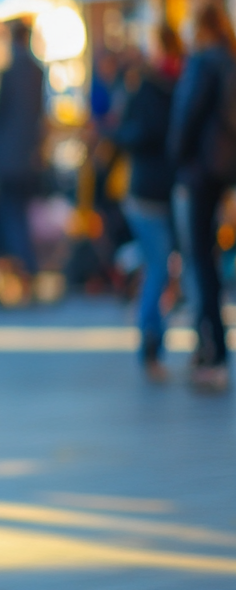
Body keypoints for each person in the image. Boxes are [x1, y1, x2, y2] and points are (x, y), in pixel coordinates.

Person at [168, 1, 236, 393]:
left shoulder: (203, 63)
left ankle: (211, 348)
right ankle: (215, 349)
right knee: (207, 260)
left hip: (199, 173)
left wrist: (177, 158)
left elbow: (187, 118)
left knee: (199, 261)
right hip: (224, 171)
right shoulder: (228, 59)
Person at [116, 25, 183, 382]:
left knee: (159, 267)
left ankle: (153, 339)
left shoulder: (161, 85)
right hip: (149, 192)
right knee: (159, 267)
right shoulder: (150, 88)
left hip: (160, 190)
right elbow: (129, 133)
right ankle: (150, 341)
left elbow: (124, 132)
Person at [0, 20, 45, 276]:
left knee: (10, 215)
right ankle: (24, 267)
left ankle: (23, 268)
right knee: (20, 214)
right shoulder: (36, 71)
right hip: (28, 156)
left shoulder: (8, 72)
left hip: (7, 158)